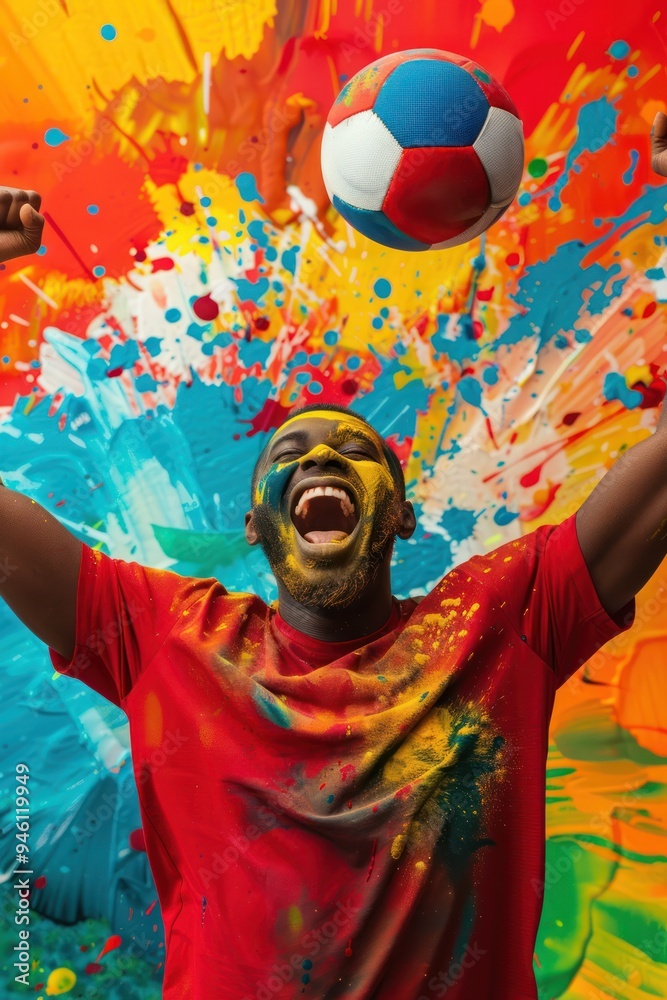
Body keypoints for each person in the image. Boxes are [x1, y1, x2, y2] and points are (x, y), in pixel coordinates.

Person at [2, 114, 667, 1000]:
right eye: (290, 454)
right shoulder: (168, 638)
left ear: (396, 517)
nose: (317, 457)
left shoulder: (499, 624)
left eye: (352, 451)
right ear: (255, 527)